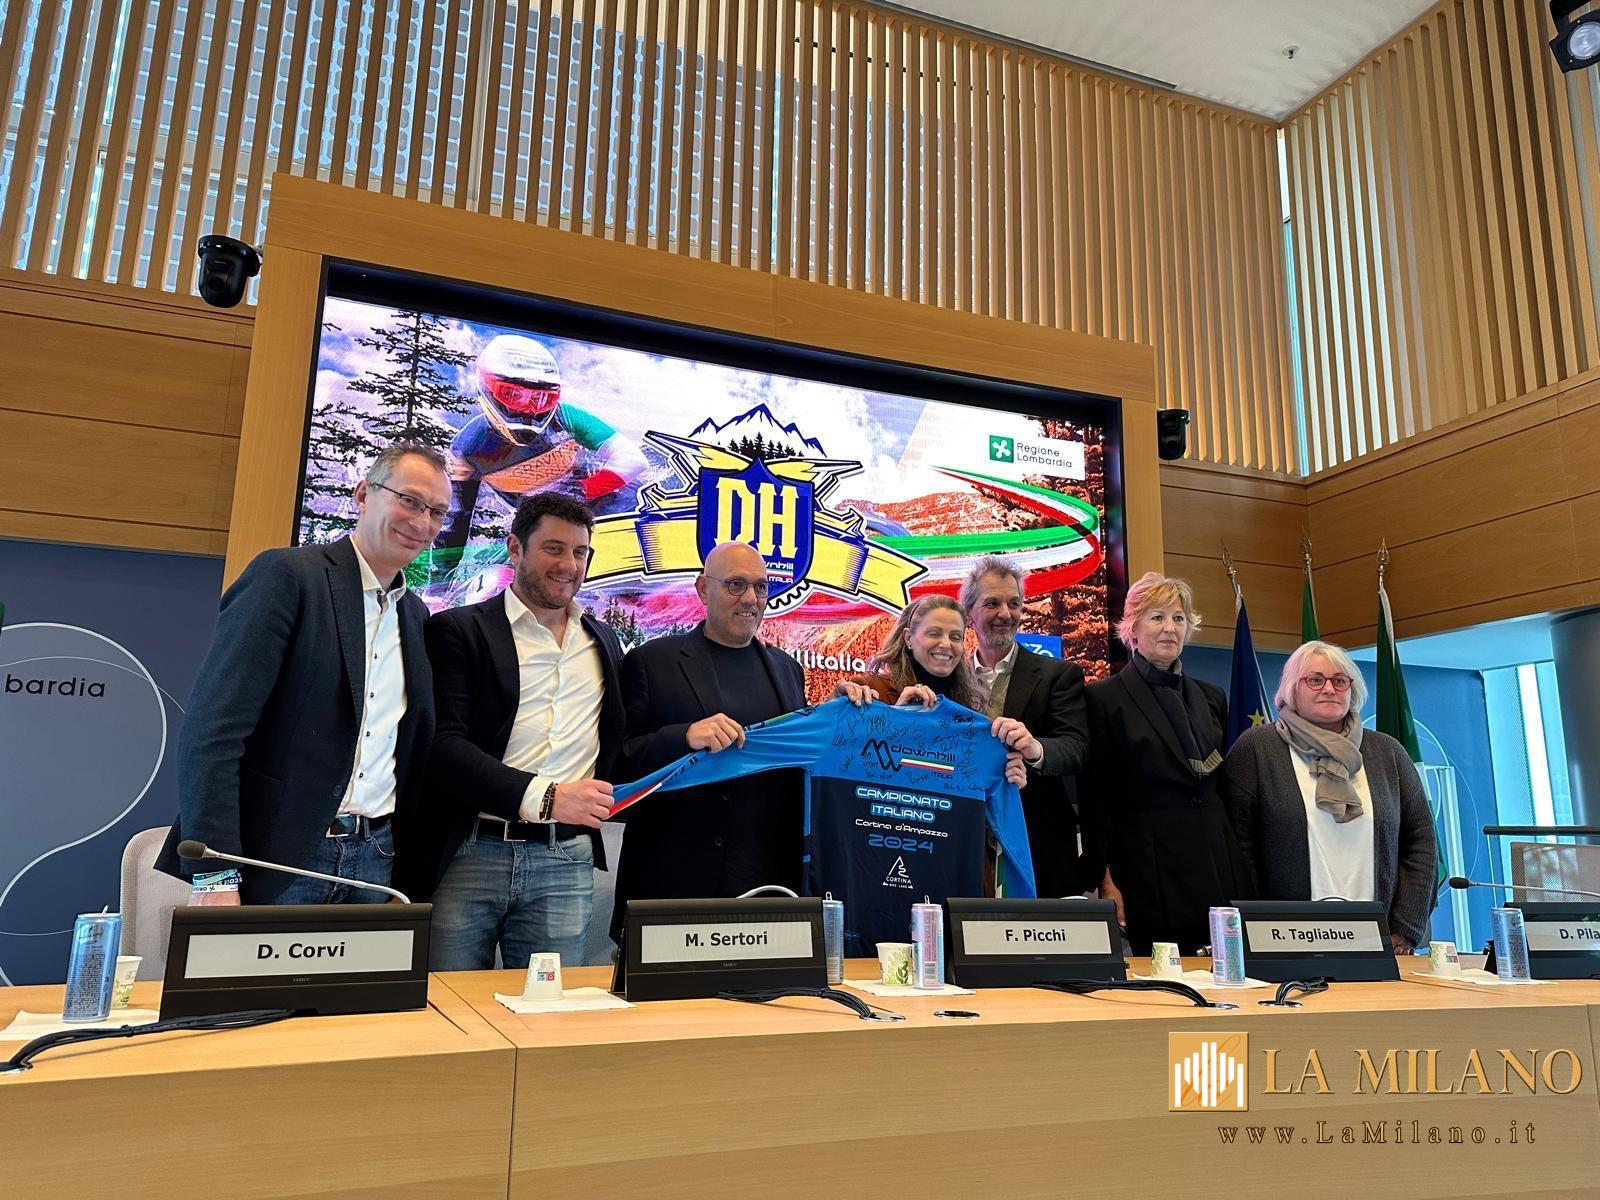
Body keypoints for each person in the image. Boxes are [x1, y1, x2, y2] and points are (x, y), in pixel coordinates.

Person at [155, 441, 451, 904]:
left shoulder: (415, 616)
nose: (422, 523)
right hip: (280, 861)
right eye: (410, 501)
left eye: (436, 512)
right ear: (363, 495)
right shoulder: (288, 577)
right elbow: (213, 733)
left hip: (375, 861)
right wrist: (216, 876)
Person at [403, 493, 625, 968]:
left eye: (580, 552)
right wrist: (546, 797)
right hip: (470, 853)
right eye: (553, 549)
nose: (569, 565)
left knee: (548, 1007)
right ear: (515, 548)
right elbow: (442, 745)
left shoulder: (604, 640)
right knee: (449, 1000)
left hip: (566, 859)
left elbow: (626, 738)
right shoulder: (458, 630)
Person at [610, 542, 807, 937]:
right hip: (673, 885)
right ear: (703, 589)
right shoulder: (652, 661)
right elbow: (618, 764)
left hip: (767, 888)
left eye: (761, 587)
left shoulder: (788, 670)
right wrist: (682, 736)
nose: (750, 598)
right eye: (735, 584)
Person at [1220, 641, 1438, 953]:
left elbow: (1421, 844)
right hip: (1285, 939)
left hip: (1377, 939)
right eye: (1315, 680)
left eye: (1339, 681)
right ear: (1292, 689)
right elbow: (1237, 849)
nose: (1328, 689)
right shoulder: (1257, 748)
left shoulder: (1387, 752)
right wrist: (1258, 928)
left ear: (1352, 689)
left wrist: (1405, 928)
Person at [1080, 571, 1239, 952]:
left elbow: (1220, 787)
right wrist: (1105, 878)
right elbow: (1096, 798)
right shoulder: (1103, 698)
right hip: (1146, 870)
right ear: (1132, 629)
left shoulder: (1212, 696)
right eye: (1157, 617)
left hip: (1215, 865)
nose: (1170, 628)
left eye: (1178, 618)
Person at [436, 334, 648, 549]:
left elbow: (633, 459)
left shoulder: (567, 416)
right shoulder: (467, 449)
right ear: (487, 388)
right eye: (513, 395)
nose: (530, 410)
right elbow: (454, 523)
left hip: (618, 509)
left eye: (541, 398)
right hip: (550, 529)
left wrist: (582, 491)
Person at [961, 556, 1093, 897]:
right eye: (992, 603)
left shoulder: (1058, 675)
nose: (1005, 614)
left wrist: (1035, 749)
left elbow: (1076, 748)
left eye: (1014, 603)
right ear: (969, 612)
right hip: (962, 846)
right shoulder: (950, 680)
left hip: (1038, 849)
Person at [836, 594, 987, 709]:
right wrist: (897, 716)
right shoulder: (869, 691)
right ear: (909, 638)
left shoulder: (972, 702)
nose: (947, 644)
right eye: (934, 634)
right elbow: (831, 734)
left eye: (956, 637)